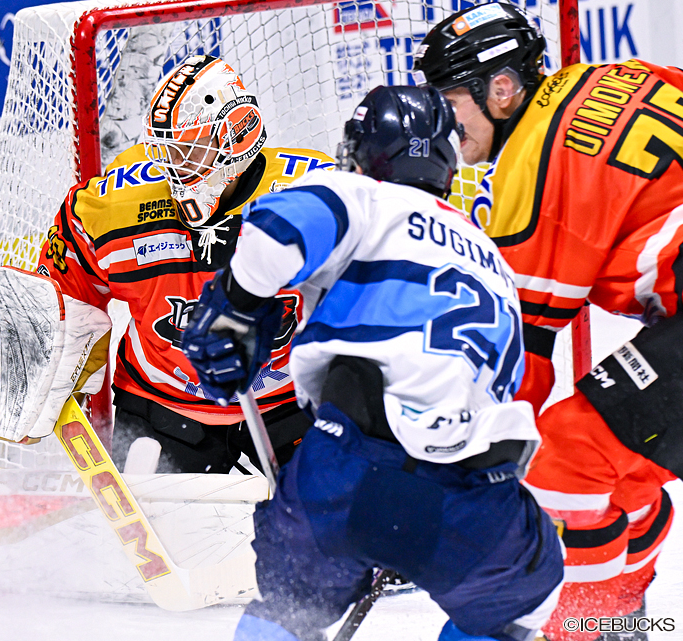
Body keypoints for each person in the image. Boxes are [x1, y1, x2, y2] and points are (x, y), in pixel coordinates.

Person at [182, 85, 564, 641]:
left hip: (349, 468)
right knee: (516, 609)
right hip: (472, 492)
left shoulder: (367, 197)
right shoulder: (493, 262)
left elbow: (278, 228)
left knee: (289, 609)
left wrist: (236, 307)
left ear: (365, 153)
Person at [414, 4, 682, 639]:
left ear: (502, 89)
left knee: (559, 465)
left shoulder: (530, 168)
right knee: (615, 465)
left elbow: (520, 359)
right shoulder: (620, 74)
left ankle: (580, 628)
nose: (438, 123)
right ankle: (618, 619)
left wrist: (468, 469)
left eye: (448, 101)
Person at [36, 54, 335, 474]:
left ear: (236, 137)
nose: (173, 169)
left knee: (336, 510)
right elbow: (66, 287)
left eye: (188, 152)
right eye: (166, 153)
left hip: (291, 403)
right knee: (155, 517)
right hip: (162, 403)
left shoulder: (314, 193)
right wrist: (44, 364)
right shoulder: (117, 205)